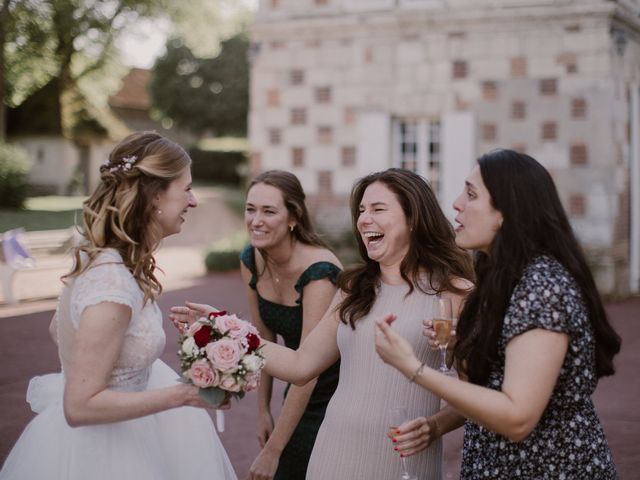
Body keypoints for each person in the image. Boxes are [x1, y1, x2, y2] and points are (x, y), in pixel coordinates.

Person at [173, 168, 474, 479]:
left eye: (378, 209)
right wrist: (222, 329)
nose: (364, 219)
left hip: (403, 460)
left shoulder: (455, 292)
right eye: (361, 210)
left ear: (413, 218)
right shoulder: (353, 288)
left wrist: (436, 425)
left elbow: (476, 392)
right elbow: (299, 365)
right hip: (334, 449)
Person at [0, 132, 237, 480]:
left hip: (128, 433)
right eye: (186, 189)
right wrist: (184, 395)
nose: (194, 201)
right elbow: (79, 406)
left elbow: (60, 331)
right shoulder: (112, 281)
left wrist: (129, 357)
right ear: (155, 195)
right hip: (100, 456)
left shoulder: (115, 262)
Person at [374, 149, 621, 479]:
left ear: (506, 212)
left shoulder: (542, 286)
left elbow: (517, 418)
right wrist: (463, 345)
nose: (457, 203)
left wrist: (412, 367)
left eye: (471, 194)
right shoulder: (500, 277)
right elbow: (487, 387)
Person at [240, 170, 342, 480]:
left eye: (269, 211)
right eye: (251, 209)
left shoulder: (319, 272)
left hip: (333, 398)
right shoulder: (252, 260)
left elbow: (308, 369)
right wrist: (262, 412)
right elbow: (262, 341)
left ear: (293, 217)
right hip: (295, 391)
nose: (256, 220)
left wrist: (273, 449)